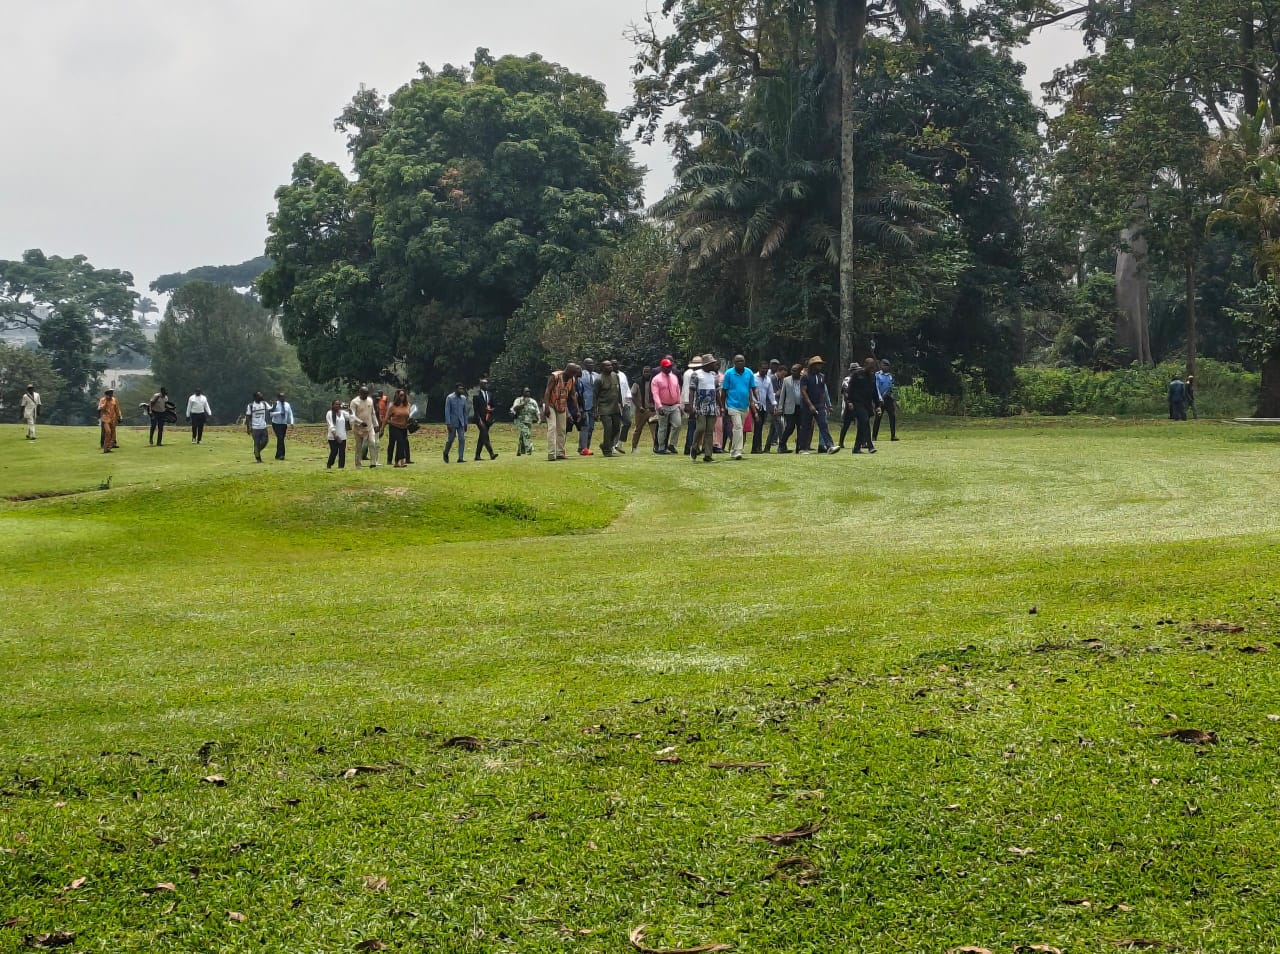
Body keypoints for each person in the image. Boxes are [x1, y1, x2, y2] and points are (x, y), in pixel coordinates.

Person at [721, 354, 756, 460]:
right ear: (733, 362)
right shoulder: (729, 373)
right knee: (738, 427)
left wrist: (754, 400)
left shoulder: (749, 372)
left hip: (744, 405)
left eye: (742, 361)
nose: (740, 363)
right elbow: (724, 391)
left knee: (738, 428)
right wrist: (723, 406)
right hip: (732, 405)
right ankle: (738, 451)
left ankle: (732, 450)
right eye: (738, 361)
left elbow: (752, 388)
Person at [689, 354, 722, 463]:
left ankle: (708, 455)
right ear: (707, 364)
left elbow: (717, 391)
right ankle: (694, 446)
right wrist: (690, 405)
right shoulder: (696, 375)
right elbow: (692, 391)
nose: (714, 365)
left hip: (712, 406)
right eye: (712, 363)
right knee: (701, 428)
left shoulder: (714, 375)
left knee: (709, 431)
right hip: (700, 406)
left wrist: (721, 406)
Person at [544, 363, 580, 461]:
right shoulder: (555, 376)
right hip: (551, 404)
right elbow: (547, 391)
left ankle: (560, 452)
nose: (573, 375)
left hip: (562, 405)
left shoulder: (572, 379)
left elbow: (572, 395)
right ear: (567, 370)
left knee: (562, 429)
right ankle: (551, 454)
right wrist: (546, 407)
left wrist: (577, 410)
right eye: (573, 373)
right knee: (552, 427)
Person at [800, 356, 836, 454]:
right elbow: (803, 392)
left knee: (823, 425)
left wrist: (824, 404)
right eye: (818, 364)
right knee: (806, 426)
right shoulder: (805, 377)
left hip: (819, 405)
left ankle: (830, 446)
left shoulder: (821, 376)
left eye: (821, 364)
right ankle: (802, 448)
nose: (820, 366)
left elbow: (823, 391)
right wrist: (810, 405)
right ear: (813, 365)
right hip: (808, 405)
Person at [848, 358, 883, 454]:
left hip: (867, 403)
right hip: (857, 403)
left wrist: (877, 405)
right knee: (865, 421)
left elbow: (874, 391)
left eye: (873, 368)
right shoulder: (856, 374)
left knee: (862, 426)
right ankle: (870, 446)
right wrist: (849, 401)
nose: (872, 370)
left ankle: (856, 448)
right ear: (865, 364)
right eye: (870, 367)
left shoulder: (872, 376)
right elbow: (850, 388)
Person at [651, 358, 684, 454]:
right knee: (663, 427)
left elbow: (678, 390)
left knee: (677, 425)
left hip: (674, 405)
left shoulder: (674, 377)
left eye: (670, 367)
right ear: (662, 367)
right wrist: (659, 406)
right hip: (663, 405)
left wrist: (679, 404)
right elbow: (655, 394)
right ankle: (661, 447)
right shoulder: (656, 379)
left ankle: (672, 445)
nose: (669, 368)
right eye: (667, 367)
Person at [594, 360, 624, 457]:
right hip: (604, 408)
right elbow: (595, 395)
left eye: (611, 365)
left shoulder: (616, 376)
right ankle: (607, 451)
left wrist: (621, 403)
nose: (610, 367)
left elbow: (618, 391)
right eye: (607, 366)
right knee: (608, 428)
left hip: (615, 407)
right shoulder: (599, 379)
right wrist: (595, 410)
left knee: (616, 428)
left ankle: (606, 445)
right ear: (602, 368)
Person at [777, 363, 805, 454]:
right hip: (789, 408)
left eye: (795, 370)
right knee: (790, 427)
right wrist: (780, 408)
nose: (793, 372)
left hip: (801, 407)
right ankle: (781, 445)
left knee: (801, 428)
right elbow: (782, 395)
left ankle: (799, 448)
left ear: (800, 371)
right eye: (792, 370)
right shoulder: (786, 380)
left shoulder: (804, 379)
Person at [349, 386, 379, 468]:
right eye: (364, 393)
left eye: (367, 393)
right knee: (359, 446)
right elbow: (352, 415)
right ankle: (358, 464)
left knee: (372, 443)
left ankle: (373, 463)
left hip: (369, 427)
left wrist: (376, 424)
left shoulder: (370, 400)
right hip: (358, 428)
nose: (365, 395)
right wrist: (360, 422)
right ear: (360, 393)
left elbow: (372, 413)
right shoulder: (354, 402)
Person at [751, 361, 777, 454]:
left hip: (763, 406)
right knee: (758, 425)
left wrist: (774, 404)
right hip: (754, 405)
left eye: (766, 368)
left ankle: (757, 447)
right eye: (763, 368)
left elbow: (770, 393)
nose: (765, 370)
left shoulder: (768, 380)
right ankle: (756, 448)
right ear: (759, 368)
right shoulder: (753, 377)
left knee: (760, 427)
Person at [382, 389, 413, 467]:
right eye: (400, 395)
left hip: (404, 427)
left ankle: (399, 462)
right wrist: (382, 428)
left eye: (403, 395)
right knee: (398, 442)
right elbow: (386, 418)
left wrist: (410, 421)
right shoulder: (392, 405)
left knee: (402, 444)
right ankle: (395, 461)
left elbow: (408, 416)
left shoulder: (408, 405)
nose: (402, 397)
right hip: (394, 426)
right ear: (397, 396)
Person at [681, 354, 704, 456]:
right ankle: (690, 447)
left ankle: (693, 446)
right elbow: (687, 389)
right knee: (692, 426)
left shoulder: (696, 373)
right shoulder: (689, 374)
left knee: (696, 426)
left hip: (696, 403)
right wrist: (687, 404)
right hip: (692, 403)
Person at [577, 357, 599, 456]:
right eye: (589, 364)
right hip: (584, 403)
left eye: (592, 363)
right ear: (584, 365)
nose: (591, 365)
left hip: (594, 405)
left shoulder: (597, 376)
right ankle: (583, 448)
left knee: (591, 427)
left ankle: (585, 447)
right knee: (585, 427)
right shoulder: (581, 375)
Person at [472, 379, 499, 461]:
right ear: (480, 385)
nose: (485, 385)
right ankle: (491, 453)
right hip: (479, 419)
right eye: (483, 384)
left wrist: (491, 410)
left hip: (488, 419)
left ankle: (477, 455)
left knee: (482, 437)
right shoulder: (476, 395)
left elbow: (494, 406)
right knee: (485, 435)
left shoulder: (490, 394)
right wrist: (479, 420)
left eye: (486, 384)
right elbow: (476, 410)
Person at [631, 366, 656, 452]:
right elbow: (633, 396)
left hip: (652, 410)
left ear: (650, 372)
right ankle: (634, 448)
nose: (646, 374)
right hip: (640, 411)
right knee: (638, 429)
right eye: (644, 372)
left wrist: (654, 404)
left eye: (648, 372)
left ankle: (656, 447)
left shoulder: (654, 382)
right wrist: (639, 406)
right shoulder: (637, 382)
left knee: (654, 430)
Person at [873, 359, 899, 442]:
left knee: (892, 416)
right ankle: (874, 436)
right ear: (881, 366)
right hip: (880, 399)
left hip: (888, 399)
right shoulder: (877, 375)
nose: (886, 367)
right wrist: (879, 398)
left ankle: (893, 435)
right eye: (885, 365)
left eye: (888, 366)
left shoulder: (890, 376)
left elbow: (892, 387)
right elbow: (876, 387)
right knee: (878, 418)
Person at [511, 387, 541, 456]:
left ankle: (519, 451)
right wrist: (523, 404)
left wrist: (539, 419)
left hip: (529, 421)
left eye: (528, 391)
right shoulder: (518, 400)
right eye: (526, 391)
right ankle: (529, 448)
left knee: (522, 436)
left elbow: (537, 411)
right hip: (519, 420)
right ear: (523, 392)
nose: (528, 393)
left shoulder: (533, 401)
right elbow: (514, 408)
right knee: (526, 433)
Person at [325, 400, 354, 469]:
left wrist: (350, 410)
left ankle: (341, 467)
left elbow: (351, 418)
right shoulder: (329, 413)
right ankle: (329, 464)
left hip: (342, 436)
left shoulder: (342, 413)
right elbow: (331, 424)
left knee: (342, 452)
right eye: (336, 404)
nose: (338, 406)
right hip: (333, 437)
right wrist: (335, 435)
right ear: (332, 405)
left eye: (339, 404)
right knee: (334, 452)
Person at [246, 391, 271, 462]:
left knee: (265, 441)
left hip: (263, 427)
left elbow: (271, 409)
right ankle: (258, 459)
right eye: (260, 395)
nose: (262, 396)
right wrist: (248, 428)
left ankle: (256, 451)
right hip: (255, 428)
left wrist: (275, 405)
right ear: (255, 397)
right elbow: (247, 417)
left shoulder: (264, 403)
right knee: (256, 443)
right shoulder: (251, 405)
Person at [269, 393, 295, 459]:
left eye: (284, 397)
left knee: (281, 439)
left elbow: (290, 414)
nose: (283, 398)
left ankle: (278, 455)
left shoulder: (287, 404)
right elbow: (271, 414)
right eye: (281, 397)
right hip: (276, 424)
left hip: (284, 424)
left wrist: (291, 422)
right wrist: (279, 412)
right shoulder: (275, 404)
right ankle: (282, 455)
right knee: (280, 438)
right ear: (278, 398)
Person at [97, 388, 122, 454]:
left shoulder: (114, 400)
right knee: (108, 432)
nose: (111, 394)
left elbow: (117, 409)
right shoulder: (102, 400)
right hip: (105, 419)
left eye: (111, 393)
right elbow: (101, 408)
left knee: (113, 435)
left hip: (113, 419)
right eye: (109, 393)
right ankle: (105, 448)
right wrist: (106, 401)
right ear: (106, 394)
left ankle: (109, 448)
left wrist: (119, 416)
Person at [616, 361, 633, 453]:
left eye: (616, 364)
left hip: (624, 403)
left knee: (627, 422)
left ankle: (619, 443)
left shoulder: (622, 375)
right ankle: (612, 445)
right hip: (614, 404)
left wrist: (628, 401)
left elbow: (626, 388)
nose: (615, 366)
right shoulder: (608, 375)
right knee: (615, 425)